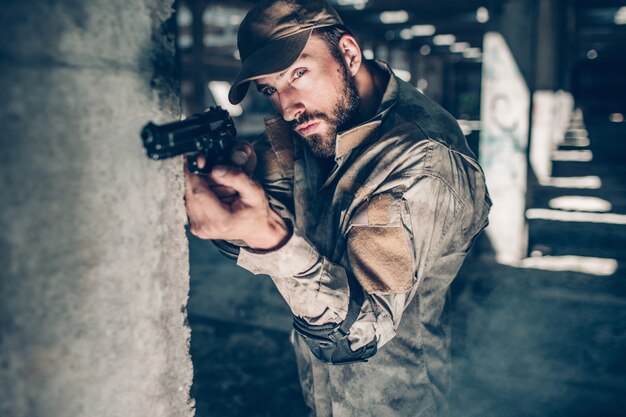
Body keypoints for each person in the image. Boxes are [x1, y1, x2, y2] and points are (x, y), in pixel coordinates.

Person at [184, 0, 491, 415]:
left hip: (395, 400)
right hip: (322, 394)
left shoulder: (424, 161)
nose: (288, 106)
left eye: (297, 74)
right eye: (270, 89)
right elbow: (269, 211)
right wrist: (228, 192)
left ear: (347, 54)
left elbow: (357, 334)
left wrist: (268, 238)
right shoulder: (317, 127)